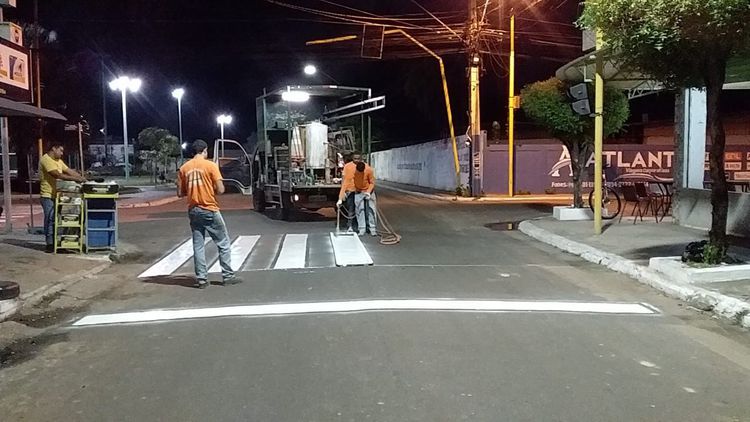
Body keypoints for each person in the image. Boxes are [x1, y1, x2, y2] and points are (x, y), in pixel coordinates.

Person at [177, 140, 241, 289]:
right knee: (223, 243)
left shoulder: (184, 168)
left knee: (198, 245)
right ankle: (227, 276)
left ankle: (202, 279)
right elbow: (220, 189)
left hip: (193, 210)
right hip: (209, 208)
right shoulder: (211, 166)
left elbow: (180, 192)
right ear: (205, 151)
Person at [39, 143, 86, 253]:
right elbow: (57, 175)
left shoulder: (58, 161)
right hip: (47, 195)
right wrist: (74, 179)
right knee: (50, 219)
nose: (61, 153)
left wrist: (81, 178)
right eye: (60, 151)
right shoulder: (46, 160)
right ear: (53, 149)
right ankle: (50, 244)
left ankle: (59, 242)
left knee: (59, 219)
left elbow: (68, 170)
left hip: (58, 194)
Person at [353, 160, 378, 236]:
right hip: (358, 191)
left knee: (371, 209)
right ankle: (362, 228)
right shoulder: (354, 171)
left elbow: (372, 182)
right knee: (360, 210)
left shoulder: (369, 170)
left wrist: (368, 192)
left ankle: (372, 228)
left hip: (368, 191)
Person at [337, 152, 358, 232]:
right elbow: (344, 182)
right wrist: (341, 196)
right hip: (351, 191)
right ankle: (350, 226)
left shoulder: (363, 166)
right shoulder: (347, 167)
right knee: (351, 209)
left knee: (359, 209)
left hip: (359, 191)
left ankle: (361, 227)